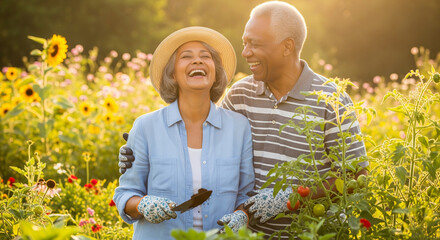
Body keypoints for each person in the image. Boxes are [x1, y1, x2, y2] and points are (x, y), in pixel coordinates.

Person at [119, 2, 368, 239]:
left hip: (306, 233)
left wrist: (293, 197)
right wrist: (136, 151)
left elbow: (357, 176)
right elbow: (201, 131)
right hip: (250, 236)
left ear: (287, 46)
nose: (246, 53)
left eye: (255, 44)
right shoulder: (241, 95)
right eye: (245, 43)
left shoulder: (331, 101)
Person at [113, 26, 255, 240]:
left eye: (205, 57)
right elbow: (125, 194)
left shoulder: (239, 128)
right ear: (172, 73)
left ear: (216, 71)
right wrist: (143, 205)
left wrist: (242, 215)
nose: (197, 61)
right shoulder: (145, 127)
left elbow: (246, 194)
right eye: (186, 57)